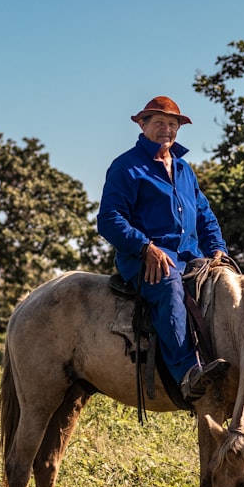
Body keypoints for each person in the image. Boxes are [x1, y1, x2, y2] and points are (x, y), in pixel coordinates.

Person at [97, 96, 230, 402]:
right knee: (168, 283)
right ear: (142, 125)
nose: (166, 130)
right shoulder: (126, 167)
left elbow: (204, 214)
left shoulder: (184, 169)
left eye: (172, 124)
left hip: (191, 257)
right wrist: (146, 248)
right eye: (158, 123)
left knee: (233, 286)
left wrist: (218, 249)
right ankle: (188, 372)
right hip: (147, 260)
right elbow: (109, 219)